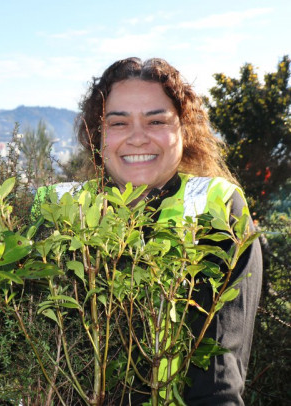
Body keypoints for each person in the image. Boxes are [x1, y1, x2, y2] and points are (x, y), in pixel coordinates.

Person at [71, 57, 262, 404]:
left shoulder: (216, 209)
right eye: (118, 123)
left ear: (183, 130)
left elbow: (218, 378)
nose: (138, 138)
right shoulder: (65, 212)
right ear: (96, 136)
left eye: (156, 120)